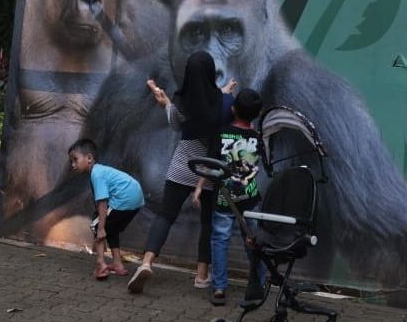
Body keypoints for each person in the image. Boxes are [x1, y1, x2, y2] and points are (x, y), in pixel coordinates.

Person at [127, 51, 234, 294]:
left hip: (182, 166)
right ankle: (201, 275)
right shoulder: (225, 104)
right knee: (208, 223)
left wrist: (166, 104)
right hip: (208, 171)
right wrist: (226, 92)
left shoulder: (181, 99)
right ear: (210, 72)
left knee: (165, 216)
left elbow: (176, 124)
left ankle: (146, 263)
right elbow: (220, 110)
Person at [199, 88, 266, 306]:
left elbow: (210, 166)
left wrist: (199, 187)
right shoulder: (257, 138)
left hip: (224, 199)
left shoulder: (221, 134)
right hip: (250, 199)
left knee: (219, 241)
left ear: (233, 109)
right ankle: (259, 284)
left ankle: (219, 288)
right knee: (254, 243)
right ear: (255, 115)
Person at [67, 138, 144, 280]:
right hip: (136, 200)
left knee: (97, 226)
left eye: (75, 159)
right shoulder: (100, 171)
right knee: (111, 228)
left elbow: (102, 202)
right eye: (71, 161)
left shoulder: (97, 174)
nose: (73, 165)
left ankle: (101, 264)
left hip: (125, 199)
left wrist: (101, 228)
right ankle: (117, 264)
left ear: (89, 158)